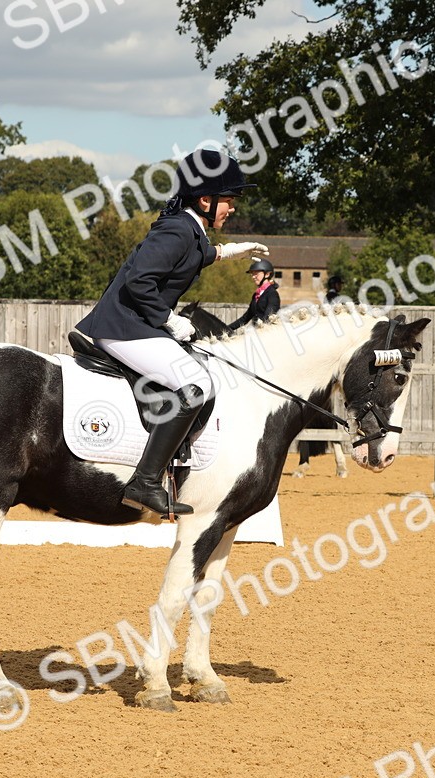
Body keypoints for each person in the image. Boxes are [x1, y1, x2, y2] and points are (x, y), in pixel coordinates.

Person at [74, 150, 268, 515]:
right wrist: (169, 318)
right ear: (205, 199)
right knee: (195, 384)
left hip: (136, 325)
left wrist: (228, 252)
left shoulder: (187, 227)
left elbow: (193, 254)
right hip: (123, 327)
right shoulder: (178, 228)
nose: (232, 208)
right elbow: (139, 281)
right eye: (228, 200)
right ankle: (145, 482)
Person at [228, 258, 280, 331]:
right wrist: (226, 328)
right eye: (252, 274)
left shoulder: (272, 294)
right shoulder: (256, 295)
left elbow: (267, 318)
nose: (253, 277)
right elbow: (245, 318)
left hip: (266, 334)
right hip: (256, 332)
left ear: (267, 274)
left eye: (256, 274)